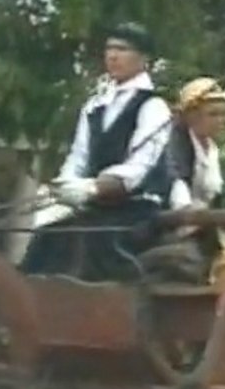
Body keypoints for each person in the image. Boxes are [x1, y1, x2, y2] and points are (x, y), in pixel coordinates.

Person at [21, 22, 173, 282]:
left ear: (144, 58)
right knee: (48, 237)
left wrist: (92, 188)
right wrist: (65, 186)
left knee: (96, 242)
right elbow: (78, 157)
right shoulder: (94, 106)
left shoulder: (154, 106)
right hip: (95, 209)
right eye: (109, 49)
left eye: (122, 49)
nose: (112, 56)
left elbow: (139, 167)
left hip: (136, 210)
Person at [137, 76, 225, 284]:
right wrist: (187, 211)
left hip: (203, 228)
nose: (220, 121)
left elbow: (213, 195)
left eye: (223, 114)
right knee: (186, 260)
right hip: (170, 227)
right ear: (192, 115)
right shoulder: (174, 144)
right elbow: (175, 179)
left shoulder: (212, 150)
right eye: (213, 114)